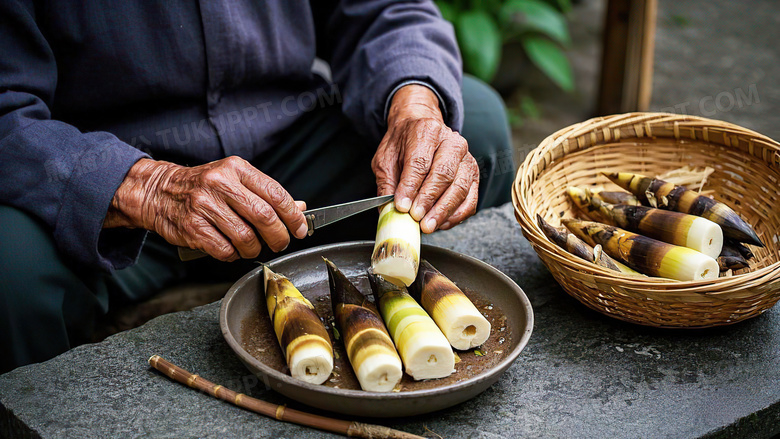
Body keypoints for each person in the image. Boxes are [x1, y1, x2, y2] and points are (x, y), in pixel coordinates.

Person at [0, 1, 514, 373]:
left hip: (291, 160)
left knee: (477, 128)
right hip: (109, 191)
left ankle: (418, 323)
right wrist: (147, 187)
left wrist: (414, 106)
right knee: (10, 267)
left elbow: (387, 10)